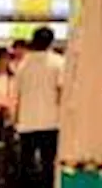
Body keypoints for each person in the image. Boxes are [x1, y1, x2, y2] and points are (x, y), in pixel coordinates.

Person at [14, 26, 65, 188]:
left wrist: (16, 119)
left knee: (25, 164)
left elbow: (18, 94)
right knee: (48, 164)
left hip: (27, 122)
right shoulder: (58, 62)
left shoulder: (23, 65)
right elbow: (61, 91)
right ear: (51, 42)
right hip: (51, 121)